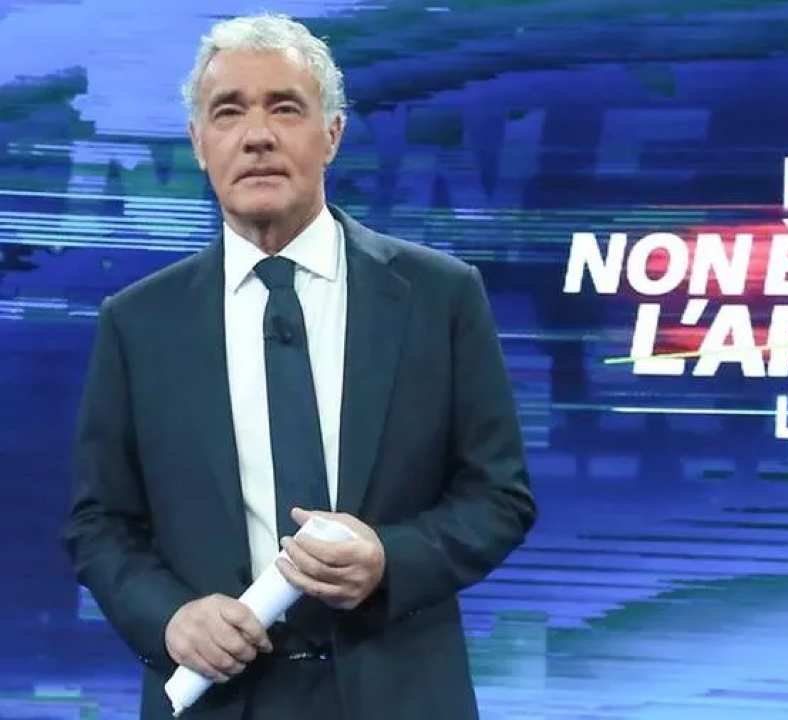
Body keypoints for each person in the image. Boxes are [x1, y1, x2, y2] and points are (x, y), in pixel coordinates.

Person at [62, 13, 535, 720]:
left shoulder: (440, 296)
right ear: (198, 144)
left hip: (399, 695)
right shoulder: (137, 322)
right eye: (228, 112)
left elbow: (499, 497)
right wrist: (170, 618)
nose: (257, 135)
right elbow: (100, 524)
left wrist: (390, 560)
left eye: (285, 107)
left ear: (332, 134)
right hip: (220, 699)